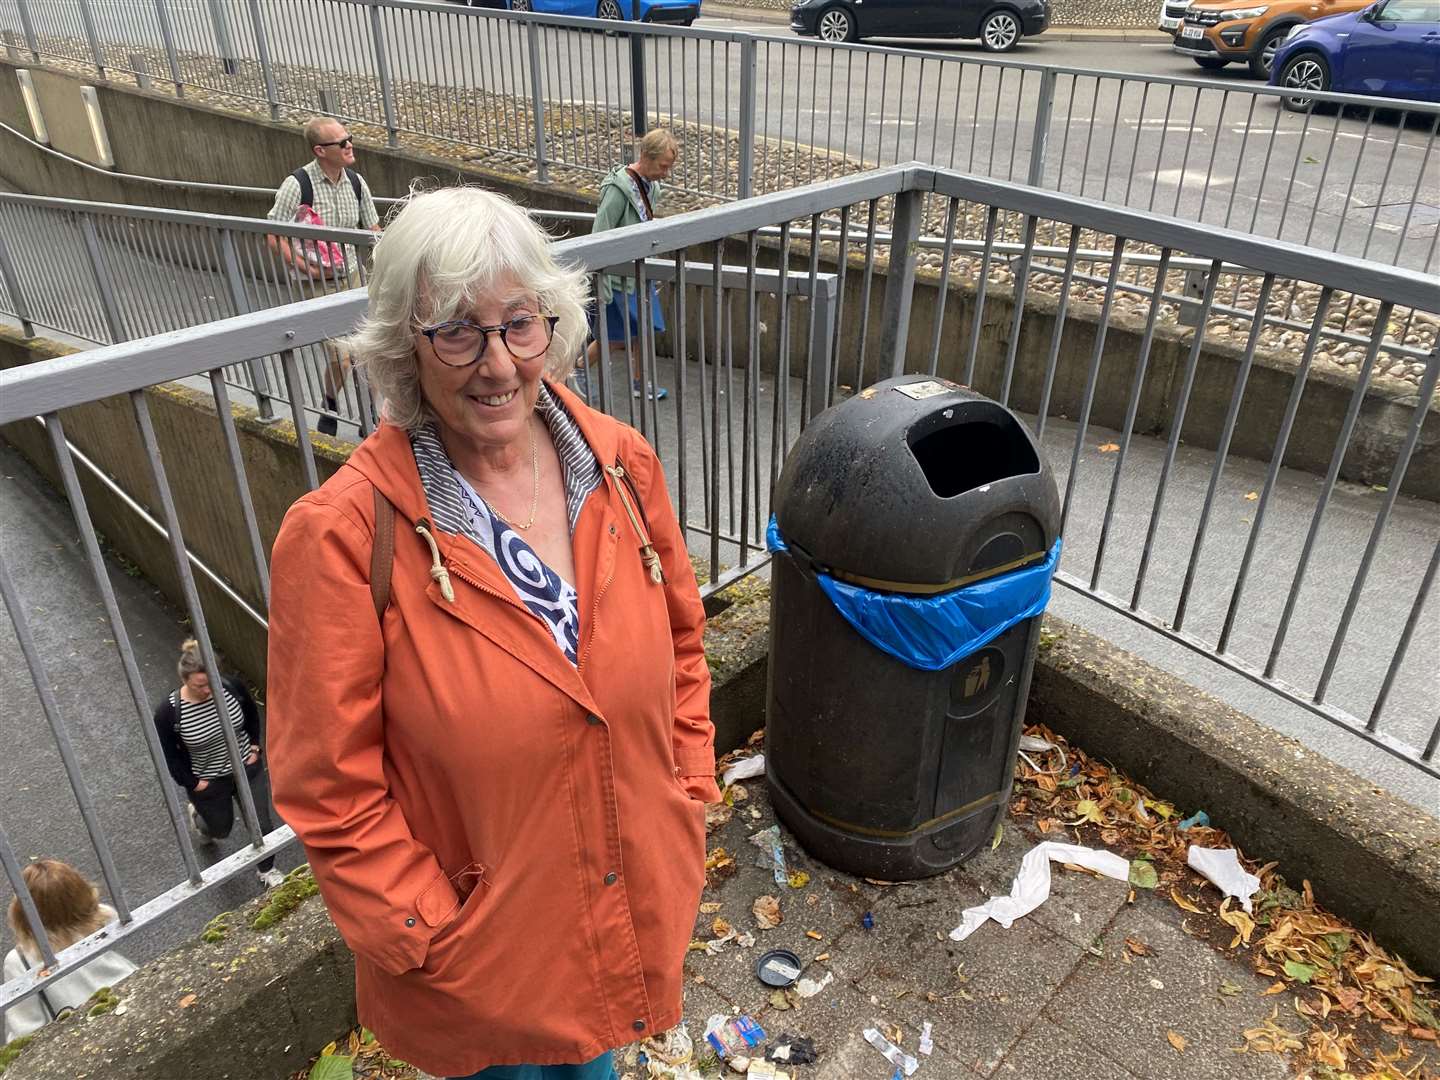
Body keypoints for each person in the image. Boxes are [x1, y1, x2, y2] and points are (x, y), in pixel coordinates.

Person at [265, 186, 719, 1080]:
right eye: (458, 331)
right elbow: (326, 787)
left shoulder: (621, 465)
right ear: (407, 346)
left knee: (600, 1066)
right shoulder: (345, 536)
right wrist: (428, 930)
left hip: (625, 896)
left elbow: (682, 639)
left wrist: (687, 785)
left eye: (520, 323)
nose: (498, 363)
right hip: (482, 958)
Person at [266, 116, 383, 435]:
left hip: (352, 277)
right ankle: (331, 403)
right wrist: (305, 267)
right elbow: (273, 234)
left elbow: (373, 231)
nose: (349, 146)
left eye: (349, 139)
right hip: (316, 285)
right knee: (343, 357)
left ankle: (369, 416)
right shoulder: (298, 185)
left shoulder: (356, 183)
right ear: (320, 150)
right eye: (341, 143)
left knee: (367, 350)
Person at [152, 639, 284, 889]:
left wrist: (255, 747)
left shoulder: (231, 687)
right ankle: (200, 820)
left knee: (262, 823)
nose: (208, 691)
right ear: (185, 679)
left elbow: (251, 716)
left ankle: (266, 870)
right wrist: (194, 783)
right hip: (209, 780)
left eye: (212, 683)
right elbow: (170, 755)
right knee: (220, 829)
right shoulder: (169, 713)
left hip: (246, 766)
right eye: (200, 685)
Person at [581, 129, 679, 402]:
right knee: (617, 336)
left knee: (642, 330)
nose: (666, 174)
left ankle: (639, 382)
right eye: (663, 166)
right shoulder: (617, 189)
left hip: (637, 273)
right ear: (646, 157)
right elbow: (601, 231)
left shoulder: (650, 186)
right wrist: (602, 280)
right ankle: (578, 368)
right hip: (618, 277)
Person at [3, 859, 137, 1042]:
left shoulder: (19, 960)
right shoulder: (104, 916)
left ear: (22, 913)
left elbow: (25, 1027)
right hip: (128, 990)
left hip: (80, 1026)